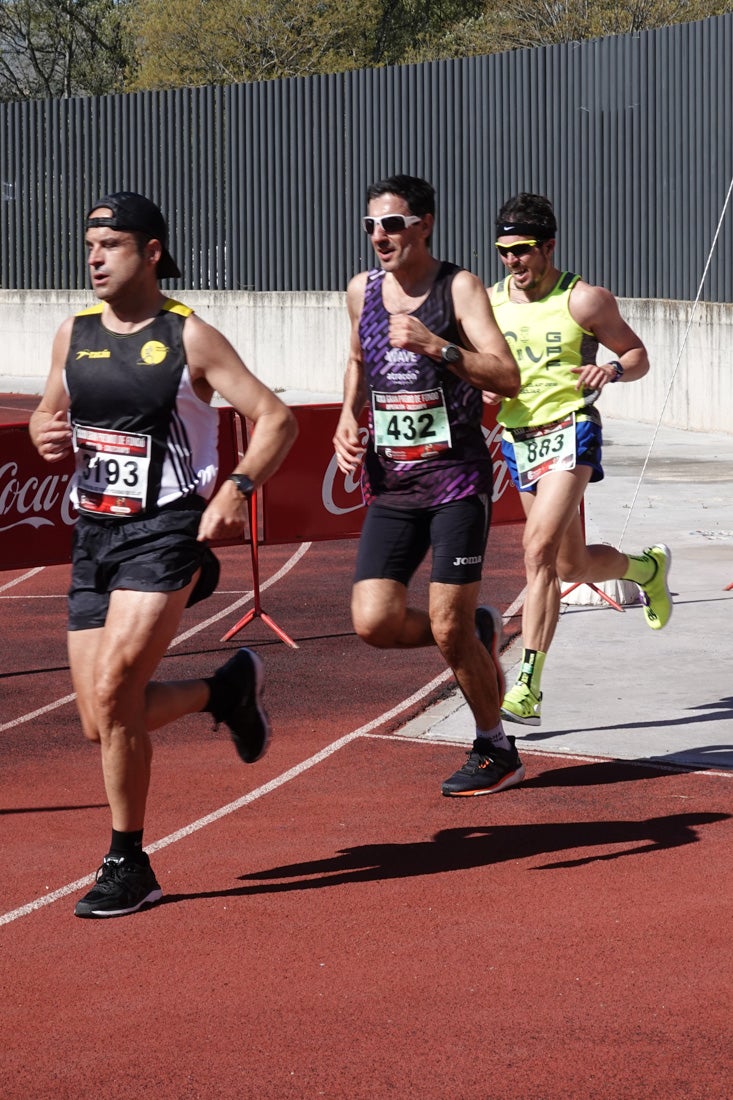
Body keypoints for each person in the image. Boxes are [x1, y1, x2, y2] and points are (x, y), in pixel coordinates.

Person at [29, 191, 297, 918]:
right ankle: (225, 690)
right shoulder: (72, 333)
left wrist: (237, 488)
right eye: (89, 245)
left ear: (151, 251)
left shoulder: (191, 338)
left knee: (116, 689)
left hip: (166, 532)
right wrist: (43, 435)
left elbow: (274, 418)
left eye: (109, 245)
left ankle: (128, 860)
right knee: (99, 718)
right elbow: (48, 414)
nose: (93, 259)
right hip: (94, 537)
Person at [333, 174, 525, 799]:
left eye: (391, 224)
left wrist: (437, 345)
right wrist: (345, 419)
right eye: (370, 226)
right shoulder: (361, 290)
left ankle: (494, 745)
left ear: (424, 224)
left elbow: (507, 374)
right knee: (374, 622)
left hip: (455, 480)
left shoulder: (458, 287)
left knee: (447, 626)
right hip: (392, 482)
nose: (379, 237)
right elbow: (359, 363)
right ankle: (480, 635)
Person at [487, 192, 672, 727]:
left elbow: (637, 356)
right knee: (568, 565)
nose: (512, 262)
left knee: (537, 549)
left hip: (572, 429)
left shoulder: (585, 300)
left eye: (522, 250)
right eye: (504, 252)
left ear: (548, 245)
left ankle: (526, 685)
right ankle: (647, 568)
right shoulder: (491, 302)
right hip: (519, 437)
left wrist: (610, 371)